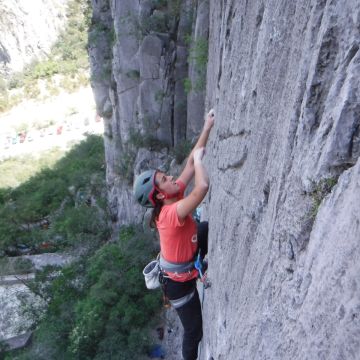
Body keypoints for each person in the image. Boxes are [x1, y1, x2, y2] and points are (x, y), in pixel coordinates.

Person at [133, 109, 215, 360]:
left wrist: (207, 126)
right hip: (179, 285)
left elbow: (190, 163)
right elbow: (201, 185)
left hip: (184, 264)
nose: (171, 177)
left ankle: (203, 264)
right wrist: (201, 162)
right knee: (194, 332)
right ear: (159, 194)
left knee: (204, 228)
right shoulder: (169, 214)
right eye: (164, 179)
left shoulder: (172, 195)